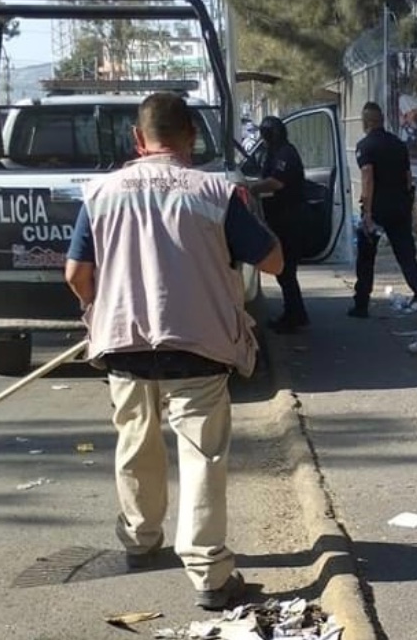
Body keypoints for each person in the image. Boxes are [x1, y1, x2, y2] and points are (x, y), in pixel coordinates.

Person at [64, 92, 283, 611]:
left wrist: (98, 306)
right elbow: (272, 262)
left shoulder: (100, 193)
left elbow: (76, 275)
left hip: (124, 344)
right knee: (201, 454)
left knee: (136, 441)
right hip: (198, 345)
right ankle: (208, 573)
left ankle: (140, 539)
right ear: (191, 137)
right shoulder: (215, 192)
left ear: (138, 141)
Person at [349, 101, 417, 326]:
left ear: (367, 122)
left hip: (377, 208)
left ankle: (361, 304)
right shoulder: (398, 144)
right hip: (399, 208)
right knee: (407, 258)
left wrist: (367, 212)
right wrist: (408, 206)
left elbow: (368, 178)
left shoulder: (365, 146)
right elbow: (408, 178)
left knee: (366, 258)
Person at [247, 115, 309, 333]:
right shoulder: (275, 152)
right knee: (286, 273)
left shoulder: (285, 153)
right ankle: (296, 313)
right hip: (281, 217)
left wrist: (252, 189)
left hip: (289, 219)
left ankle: (293, 316)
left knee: (286, 271)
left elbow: (277, 182)